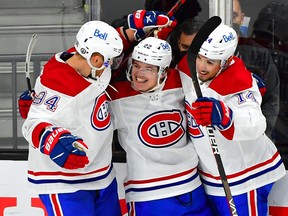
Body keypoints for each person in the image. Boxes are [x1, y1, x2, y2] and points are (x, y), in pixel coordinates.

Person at [177, 22, 286, 215]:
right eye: (200, 58)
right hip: (213, 175)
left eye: (210, 62)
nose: (201, 66)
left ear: (226, 61)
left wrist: (225, 116)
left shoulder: (239, 82)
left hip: (245, 175)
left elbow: (255, 123)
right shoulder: (188, 64)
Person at [21, 20, 124, 216]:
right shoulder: (59, 85)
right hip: (64, 182)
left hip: (100, 172)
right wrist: (53, 139)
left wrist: (130, 30)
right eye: (110, 61)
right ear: (95, 59)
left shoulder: (84, 60)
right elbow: (32, 124)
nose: (112, 66)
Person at [107, 37, 213, 216]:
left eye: (148, 68)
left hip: (191, 187)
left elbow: (213, 74)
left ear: (164, 72)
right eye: (136, 65)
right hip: (148, 196)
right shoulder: (117, 97)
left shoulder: (182, 82)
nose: (139, 73)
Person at [232, 0, 280, 141]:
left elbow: (271, 101)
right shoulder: (202, 55)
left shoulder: (257, 53)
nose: (228, 22)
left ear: (242, 18)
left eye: (234, 16)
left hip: (253, 137)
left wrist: (262, 137)